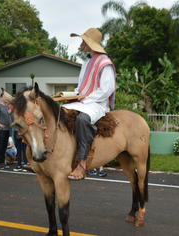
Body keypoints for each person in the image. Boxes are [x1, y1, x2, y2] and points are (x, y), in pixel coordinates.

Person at [62, 28, 116, 180]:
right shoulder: (87, 61)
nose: (81, 44)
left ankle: (81, 164)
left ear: (90, 44)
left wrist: (85, 99)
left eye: (84, 42)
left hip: (96, 104)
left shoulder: (105, 63)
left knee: (82, 120)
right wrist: (72, 95)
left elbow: (107, 89)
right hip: (83, 101)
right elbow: (81, 86)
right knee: (58, 111)